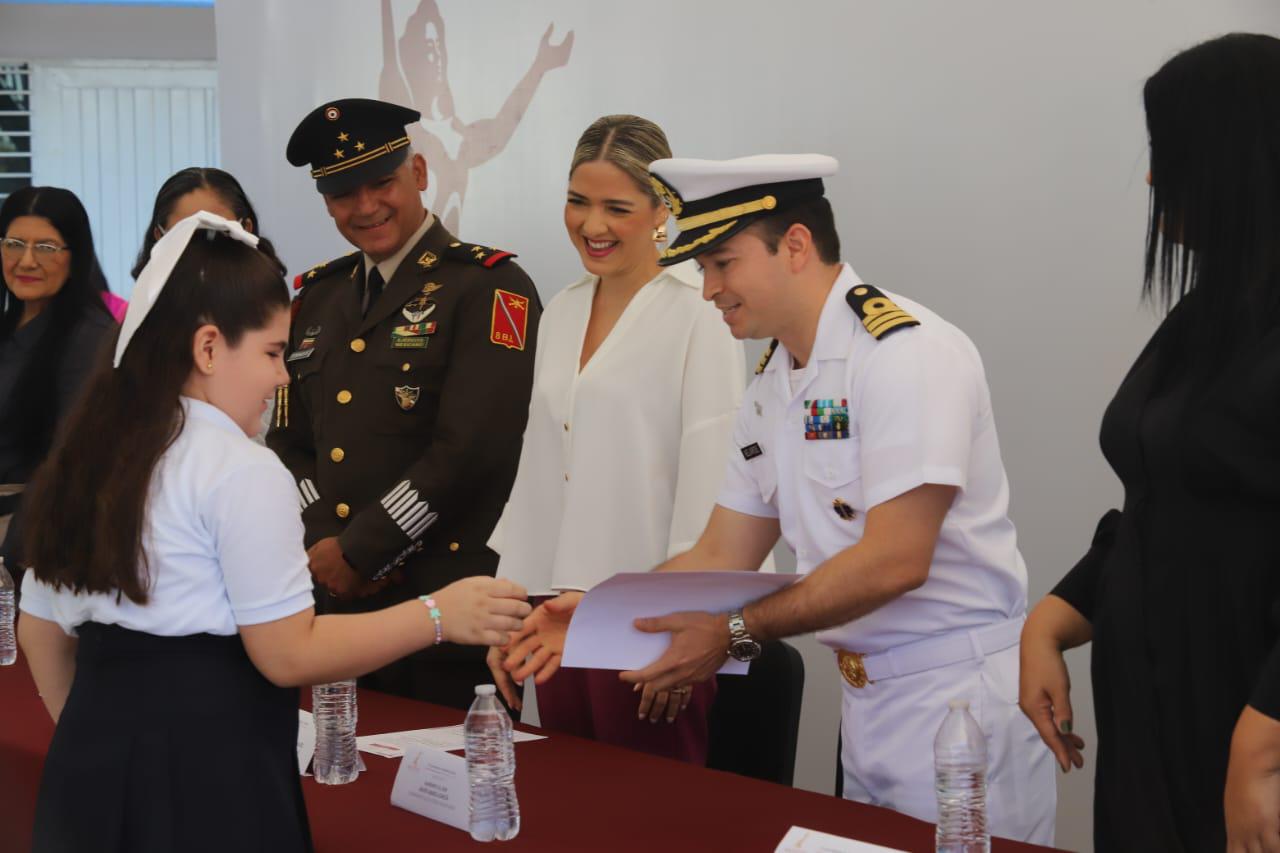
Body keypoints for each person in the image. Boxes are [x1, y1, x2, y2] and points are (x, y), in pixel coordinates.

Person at [502, 154, 1056, 842]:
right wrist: (599, 612)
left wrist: (736, 630)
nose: (708, 289)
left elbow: (896, 560)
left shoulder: (904, 354)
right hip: (870, 704)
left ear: (795, 245)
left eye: (723, 264)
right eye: (703, 268)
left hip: (959, 698)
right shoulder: (771, 387)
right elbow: (718, 552)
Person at [16, 212, 530, 853]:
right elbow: (288, 653)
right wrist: (436, 614)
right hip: (210, 775)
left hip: (88, 768)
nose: (284, 377)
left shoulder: (93, 449)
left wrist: (99, 733)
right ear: (207, 348)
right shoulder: (240, 466)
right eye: (271, 353)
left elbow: (37, 626)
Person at [1019, 33, 1280, 852]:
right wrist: (1053, 619)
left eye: (1170, 150)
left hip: (1246, 729)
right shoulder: (1206, 314)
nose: (1153, 177)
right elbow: (1163, 500)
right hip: (1156, 729)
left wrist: (1264, 740)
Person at [485, 115, 748, 763]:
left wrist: (681, 628)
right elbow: (538, 469)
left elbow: (713, 483)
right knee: (570, 795)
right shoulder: (564, 307)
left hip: (647, 619)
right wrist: (508, 605)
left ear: (663, 211)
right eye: (577, 202)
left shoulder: (700, 312)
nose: (591, 225)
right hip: (555, 615)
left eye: (616, 207)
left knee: (650, 813)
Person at [268, 98, 541, 710]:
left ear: (418, 174)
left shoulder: (489, 285)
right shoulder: (317, 297)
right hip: (333, 606)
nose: (365, 207)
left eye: (381, 183)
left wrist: (367, 549)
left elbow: (473, 450)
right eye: (342, 194)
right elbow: (290, 443)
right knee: (339, 786)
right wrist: (324, 541)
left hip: (450, 605)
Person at [0, 187, 115, 571]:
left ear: (75, 255)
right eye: (15, 243)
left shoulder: (90, 338)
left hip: (30, 540)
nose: (26, 261)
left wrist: (13, 551)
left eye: (46, 247)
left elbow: (71, 462)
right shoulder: (8, 326)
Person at [131, 166, 284, 279]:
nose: (202, 250)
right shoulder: (144, 314)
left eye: (217, 230)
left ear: (246, 229)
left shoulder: (269, 304)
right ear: (160, 236)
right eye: (186, 234)